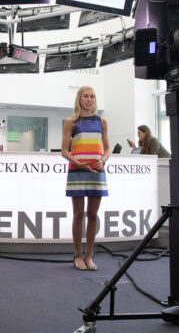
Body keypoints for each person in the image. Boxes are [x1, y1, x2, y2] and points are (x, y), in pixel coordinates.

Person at [61, 86, 110, 272]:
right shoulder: (71, 122)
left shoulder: (102, 121)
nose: (89, 99)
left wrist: (103, 160)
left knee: (92, 214)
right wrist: (79, 163)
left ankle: (89, 255)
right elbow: (64, 151)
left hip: (97, 171)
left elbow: (107, 148)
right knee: (78, 214)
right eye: (86, 96)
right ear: (79, 99)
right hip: (77, 170)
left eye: (92, 96)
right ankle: (77, 255)